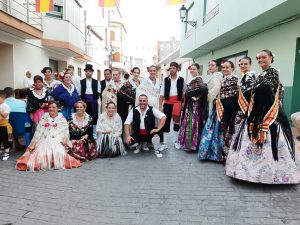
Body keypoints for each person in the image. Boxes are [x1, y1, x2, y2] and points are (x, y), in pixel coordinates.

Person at [226, 50, 300, 184]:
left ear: (271, 58)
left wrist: (251, 92)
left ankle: (269, 175)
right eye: (259, 58)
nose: (261, 60)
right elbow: (256, 91)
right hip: (256, 113)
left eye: (264, 57)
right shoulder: (261, 74)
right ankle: (248, 173)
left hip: (268, 115)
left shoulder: (273, 73)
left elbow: (265, 90)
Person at [16, 101, 81, 171]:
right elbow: (38, 131)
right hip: (45, 138)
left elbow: (65, 132)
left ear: (57, 108)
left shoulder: (62, 119)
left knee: (58, 151)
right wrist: (34, 143)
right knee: (42, 152)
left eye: (53, 107)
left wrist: (62, 140)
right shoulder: (44, 118)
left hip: (58, 139)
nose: (51, 109)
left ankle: (53, 160)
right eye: (50, 107)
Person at [198, 60, 238, 162]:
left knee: (224, 132)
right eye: (223, 67)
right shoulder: (223, 79)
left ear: (232, 69)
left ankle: (223, 155)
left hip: (228, 109)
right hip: (219, 108)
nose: (224, 69)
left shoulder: (235, 79)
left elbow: (232, 96)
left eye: (227, 67)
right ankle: (216, 154)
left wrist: (209, 96)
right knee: (216, 131)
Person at [178, 63, 208, 151]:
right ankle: (188, 143)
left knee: (192, 122)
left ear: (198, 70)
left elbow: (204, 90)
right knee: (188, 122)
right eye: (191, 69)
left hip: (194, 105)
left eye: (194, 69)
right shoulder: (191, 79)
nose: (192, 70)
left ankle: (192, 144)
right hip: (189, 104)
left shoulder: (198, 79)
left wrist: (195, 97)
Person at [159, 62, 185, 149]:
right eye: (171, 68)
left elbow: (184, 92)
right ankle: (164, 143)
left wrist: (183, 104)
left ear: (177, 69)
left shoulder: (181, 79)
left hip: (177, 104)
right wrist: (160, 106)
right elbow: (162, 94)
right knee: (166, 123)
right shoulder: (166, 80)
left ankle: (176, 142)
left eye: (174, 68)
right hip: (167, 103)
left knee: (176, 123)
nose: (172, 69)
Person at [78, 64, 100, 138]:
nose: (88, 72)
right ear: (85, 72)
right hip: (84, 101)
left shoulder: (96, 82)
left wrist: (96, 100)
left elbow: (99, 92)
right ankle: (85, 133)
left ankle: (94, 134)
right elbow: (79, 93)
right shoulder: (81, 81)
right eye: (87, 71)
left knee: (94, 117)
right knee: (85, 116)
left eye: (89, 71)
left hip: (93, 101)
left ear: (92, 72)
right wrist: (82, 102)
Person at [0, 90, 12, 160]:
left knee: (6, 139)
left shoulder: (6, 106)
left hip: (4, 125)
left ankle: (6, 153)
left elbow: (5, 115)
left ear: (3, 98)